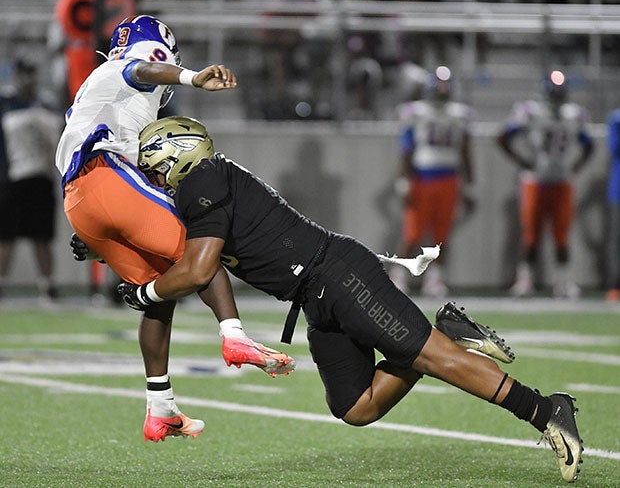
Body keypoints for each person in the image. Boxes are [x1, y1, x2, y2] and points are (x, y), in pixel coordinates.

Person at [119, 115, 582, 483]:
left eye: (155, 168)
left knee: (435, 360)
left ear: (174, 155)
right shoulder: (206, 185)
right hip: (317, 295)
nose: (156, 179)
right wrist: (104, 244)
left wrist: (142, 293)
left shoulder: (203, 179)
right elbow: (171, 242)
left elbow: (199, 269)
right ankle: (443, 333)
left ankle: (545, 410)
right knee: (357, 407)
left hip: (336, 275)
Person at [56, 15, 295, 443]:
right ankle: (235, 336)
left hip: (80, 200)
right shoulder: (126, 69)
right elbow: (141, 69)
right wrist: (192, 77)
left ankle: (160, 407)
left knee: (161, 290)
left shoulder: (103, 89)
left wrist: (98, 233)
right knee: (202, 250)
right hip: (103, 175)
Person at [497, 70, 594, 299]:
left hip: (561, 182)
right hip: (535, 182)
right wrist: (523, 161)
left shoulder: (574, 115)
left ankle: (564, 281)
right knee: (531, 234)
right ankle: (525, 280)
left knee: (561, 235)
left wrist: (574, 167)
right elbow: (503, 137)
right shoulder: (531, 112)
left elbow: (589, 145)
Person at [390, 66, 475, 298]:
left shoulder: (459, 114)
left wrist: (468, 184)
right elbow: (407, 149)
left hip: (449, 178)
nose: (441, 90)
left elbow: (465, 151)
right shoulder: (417, 112)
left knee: (441, 234)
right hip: (422, 177)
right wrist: (404, 179)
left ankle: (434, 279)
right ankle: (398, 277)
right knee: (413, 233)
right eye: (438, 85)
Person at [0, 58, 63, 301]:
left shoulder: (46, 103)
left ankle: (47, 285)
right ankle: (2, 283)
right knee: (5, 237)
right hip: (11, 179)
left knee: (42, 237)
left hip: (40, 177)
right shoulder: (6, 103)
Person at [605, 108, 620, 301]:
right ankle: (616, 285)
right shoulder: (616, 119)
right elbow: (615, 148)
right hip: (619, 189)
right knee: (618, 240)